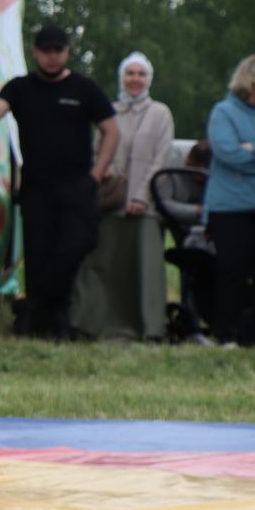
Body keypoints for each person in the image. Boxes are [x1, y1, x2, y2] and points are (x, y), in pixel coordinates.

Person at [0, 24, 119, 338]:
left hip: (78, 188)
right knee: (38, 254)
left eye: (58, 51)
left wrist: (96, 174)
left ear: (66, 52)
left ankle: (40, 309)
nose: (52, 58)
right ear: (35, 53)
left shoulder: (84, 89)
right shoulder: (20, 88)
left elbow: (112, 130)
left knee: (75, 246)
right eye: (46, 51)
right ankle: (45, 324)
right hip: (37, 189)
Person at [74, 53, 176, 341]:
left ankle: (148, 327)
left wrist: (142, 196)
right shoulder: (110, 111)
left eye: (141, 74)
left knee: (142, 268)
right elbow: (98, 149)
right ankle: (99, 324)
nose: (135, 79)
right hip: (111, 202)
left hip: (144, 205)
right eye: (129, 73)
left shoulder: (160, 113)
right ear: (122, 78)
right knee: (105, 265)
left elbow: (161, 158)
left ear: (149, 79)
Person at [200, 53, 255, 345]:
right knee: (233, 270)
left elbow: (242, 155)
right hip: (230, 207)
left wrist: (252, 148)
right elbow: (228, 153)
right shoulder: (223, 112)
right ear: (252, 82)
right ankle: (226, 334)